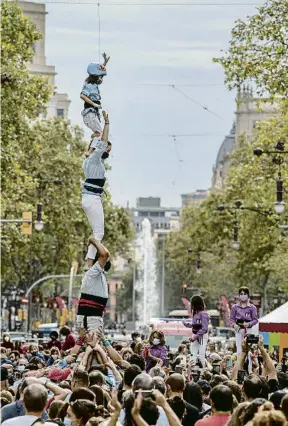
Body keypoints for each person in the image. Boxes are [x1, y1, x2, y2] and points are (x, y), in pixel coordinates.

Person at [82, 112, 112, 270]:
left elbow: (99, 144)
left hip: (90, 198)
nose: (107, 150)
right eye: (107, 149)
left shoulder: (89, 161)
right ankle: (88, 263)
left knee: (98, 231)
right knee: (98, 232)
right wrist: (106, 124)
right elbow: (103, 142)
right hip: (92, 199)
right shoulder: (93, 159)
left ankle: (89, 261)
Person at [76, 237, 110, 341]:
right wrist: (94, 240)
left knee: (93, 347)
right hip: (91, 319)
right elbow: (105, 254)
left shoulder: (95, 274)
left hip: (91, 318)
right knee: (94, 347)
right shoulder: (93, 273)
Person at [80, 53, 110, 145]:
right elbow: (82, 95)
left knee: (99, 134)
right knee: (99, 133)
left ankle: (91, 149)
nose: (101, 79)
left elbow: (97, 71)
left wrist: (104, 63)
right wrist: (93, 104)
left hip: (93, 113)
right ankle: (90, 151)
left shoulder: (94, 85)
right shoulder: (89, 86)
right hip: (90, 113)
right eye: (100, 77)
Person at [230, 287, 258, 356]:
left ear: (248, 295)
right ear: (239, 295)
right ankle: (240, 365)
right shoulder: (235, 307)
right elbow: (232, 319)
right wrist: (234, 325)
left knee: (248, 349)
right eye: (241, 294)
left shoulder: (252, 307)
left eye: (245, 294)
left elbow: (255, 320)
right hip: (238, 329)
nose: (243, 295)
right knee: (239, 348)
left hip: (248, 329)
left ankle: (248, 365)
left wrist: (249, 324)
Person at [183, 295, 209, 367]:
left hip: (202, 336)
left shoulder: (204, 314)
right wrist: (187, 324)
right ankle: (191, 369)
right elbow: (194, 324)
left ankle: (204, 369)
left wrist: (195, 337)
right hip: (195, 335)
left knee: (201, 354)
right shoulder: (196, 314)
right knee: (193, 354)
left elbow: (204, 328)